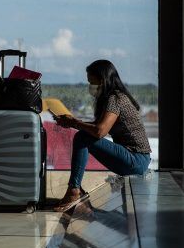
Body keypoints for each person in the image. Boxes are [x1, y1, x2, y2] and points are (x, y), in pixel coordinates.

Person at [52, 60, 152, 211]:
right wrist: (71, 122)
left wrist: (74, 122)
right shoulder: (115, 97)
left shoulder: (115, 98)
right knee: (83, 135)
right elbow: (97, 126)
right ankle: (75, 189)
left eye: (92, 82)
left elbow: (100, 131)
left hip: (136, 160)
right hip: (137, 160)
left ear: (103, 80)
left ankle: (74, 190)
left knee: (82, 137)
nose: (90, 86)